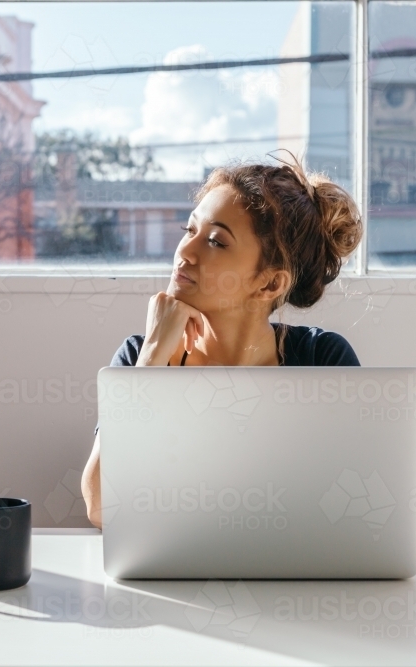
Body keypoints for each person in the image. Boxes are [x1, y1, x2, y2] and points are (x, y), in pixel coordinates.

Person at [81, 156, 363, 527]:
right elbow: (101, 507)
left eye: (215, 241)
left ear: (269, 283)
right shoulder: (140, 357)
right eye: (189, 230)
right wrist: (151, 358)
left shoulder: (322, 359)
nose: (184, 252)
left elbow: (356, 505)